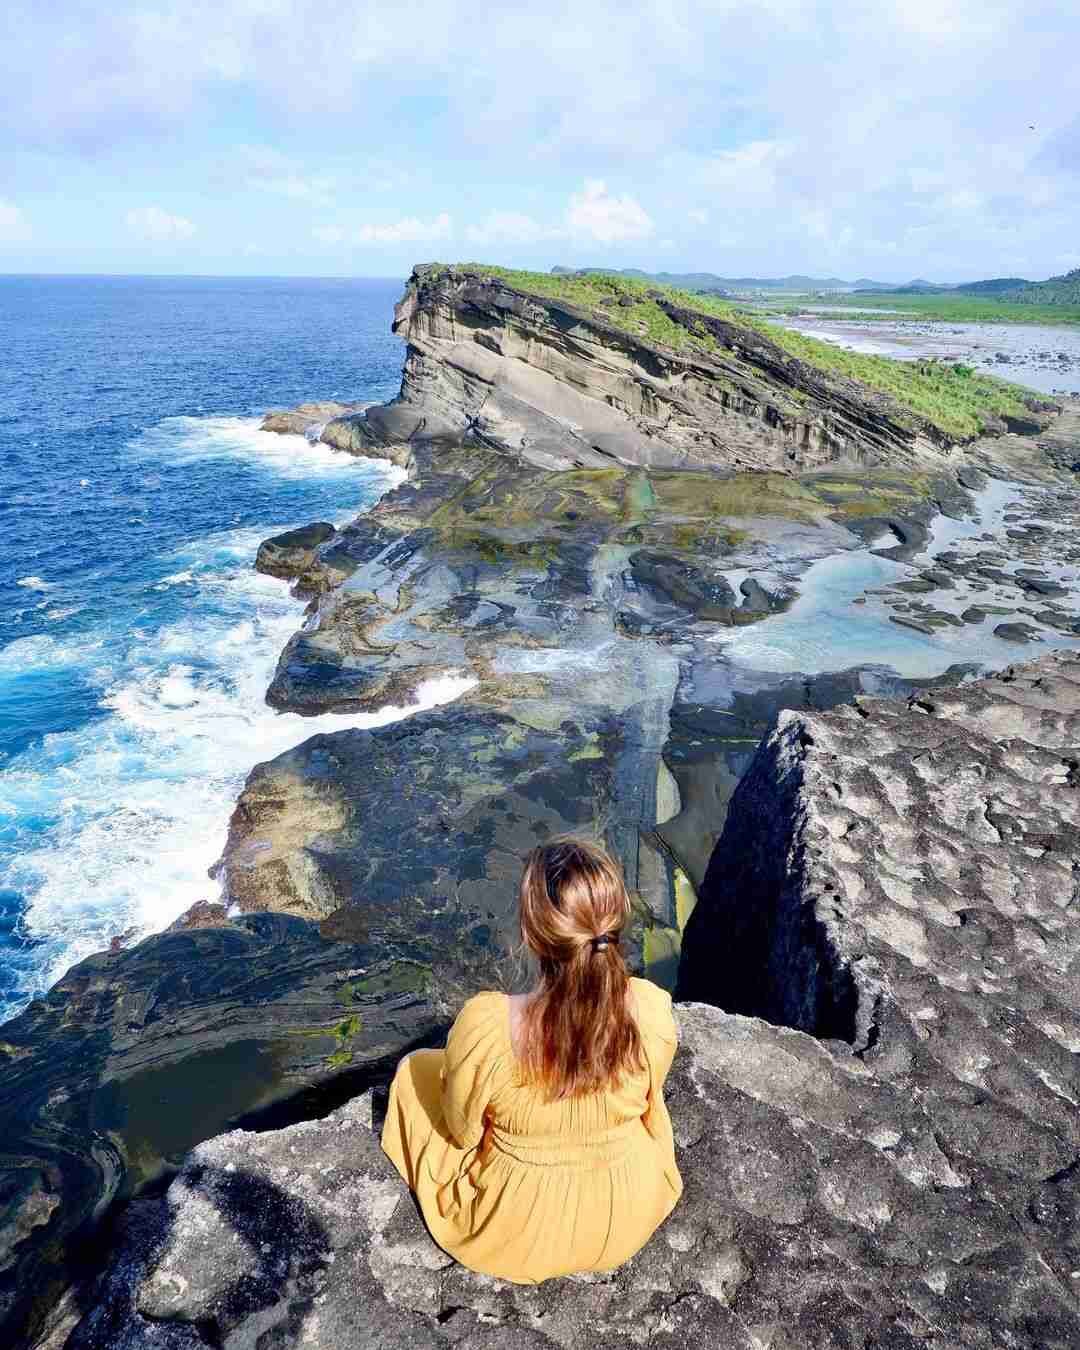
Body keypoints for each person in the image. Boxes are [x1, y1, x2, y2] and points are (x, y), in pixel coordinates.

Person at [381, 836, 683, 1283]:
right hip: (627, 1211)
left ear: (530, 933)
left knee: (414, 1071)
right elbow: (647, 1098)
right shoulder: (653, 1010)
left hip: (519, 1228)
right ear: (615, 924)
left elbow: (462, 1134)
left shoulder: (486, 1025)